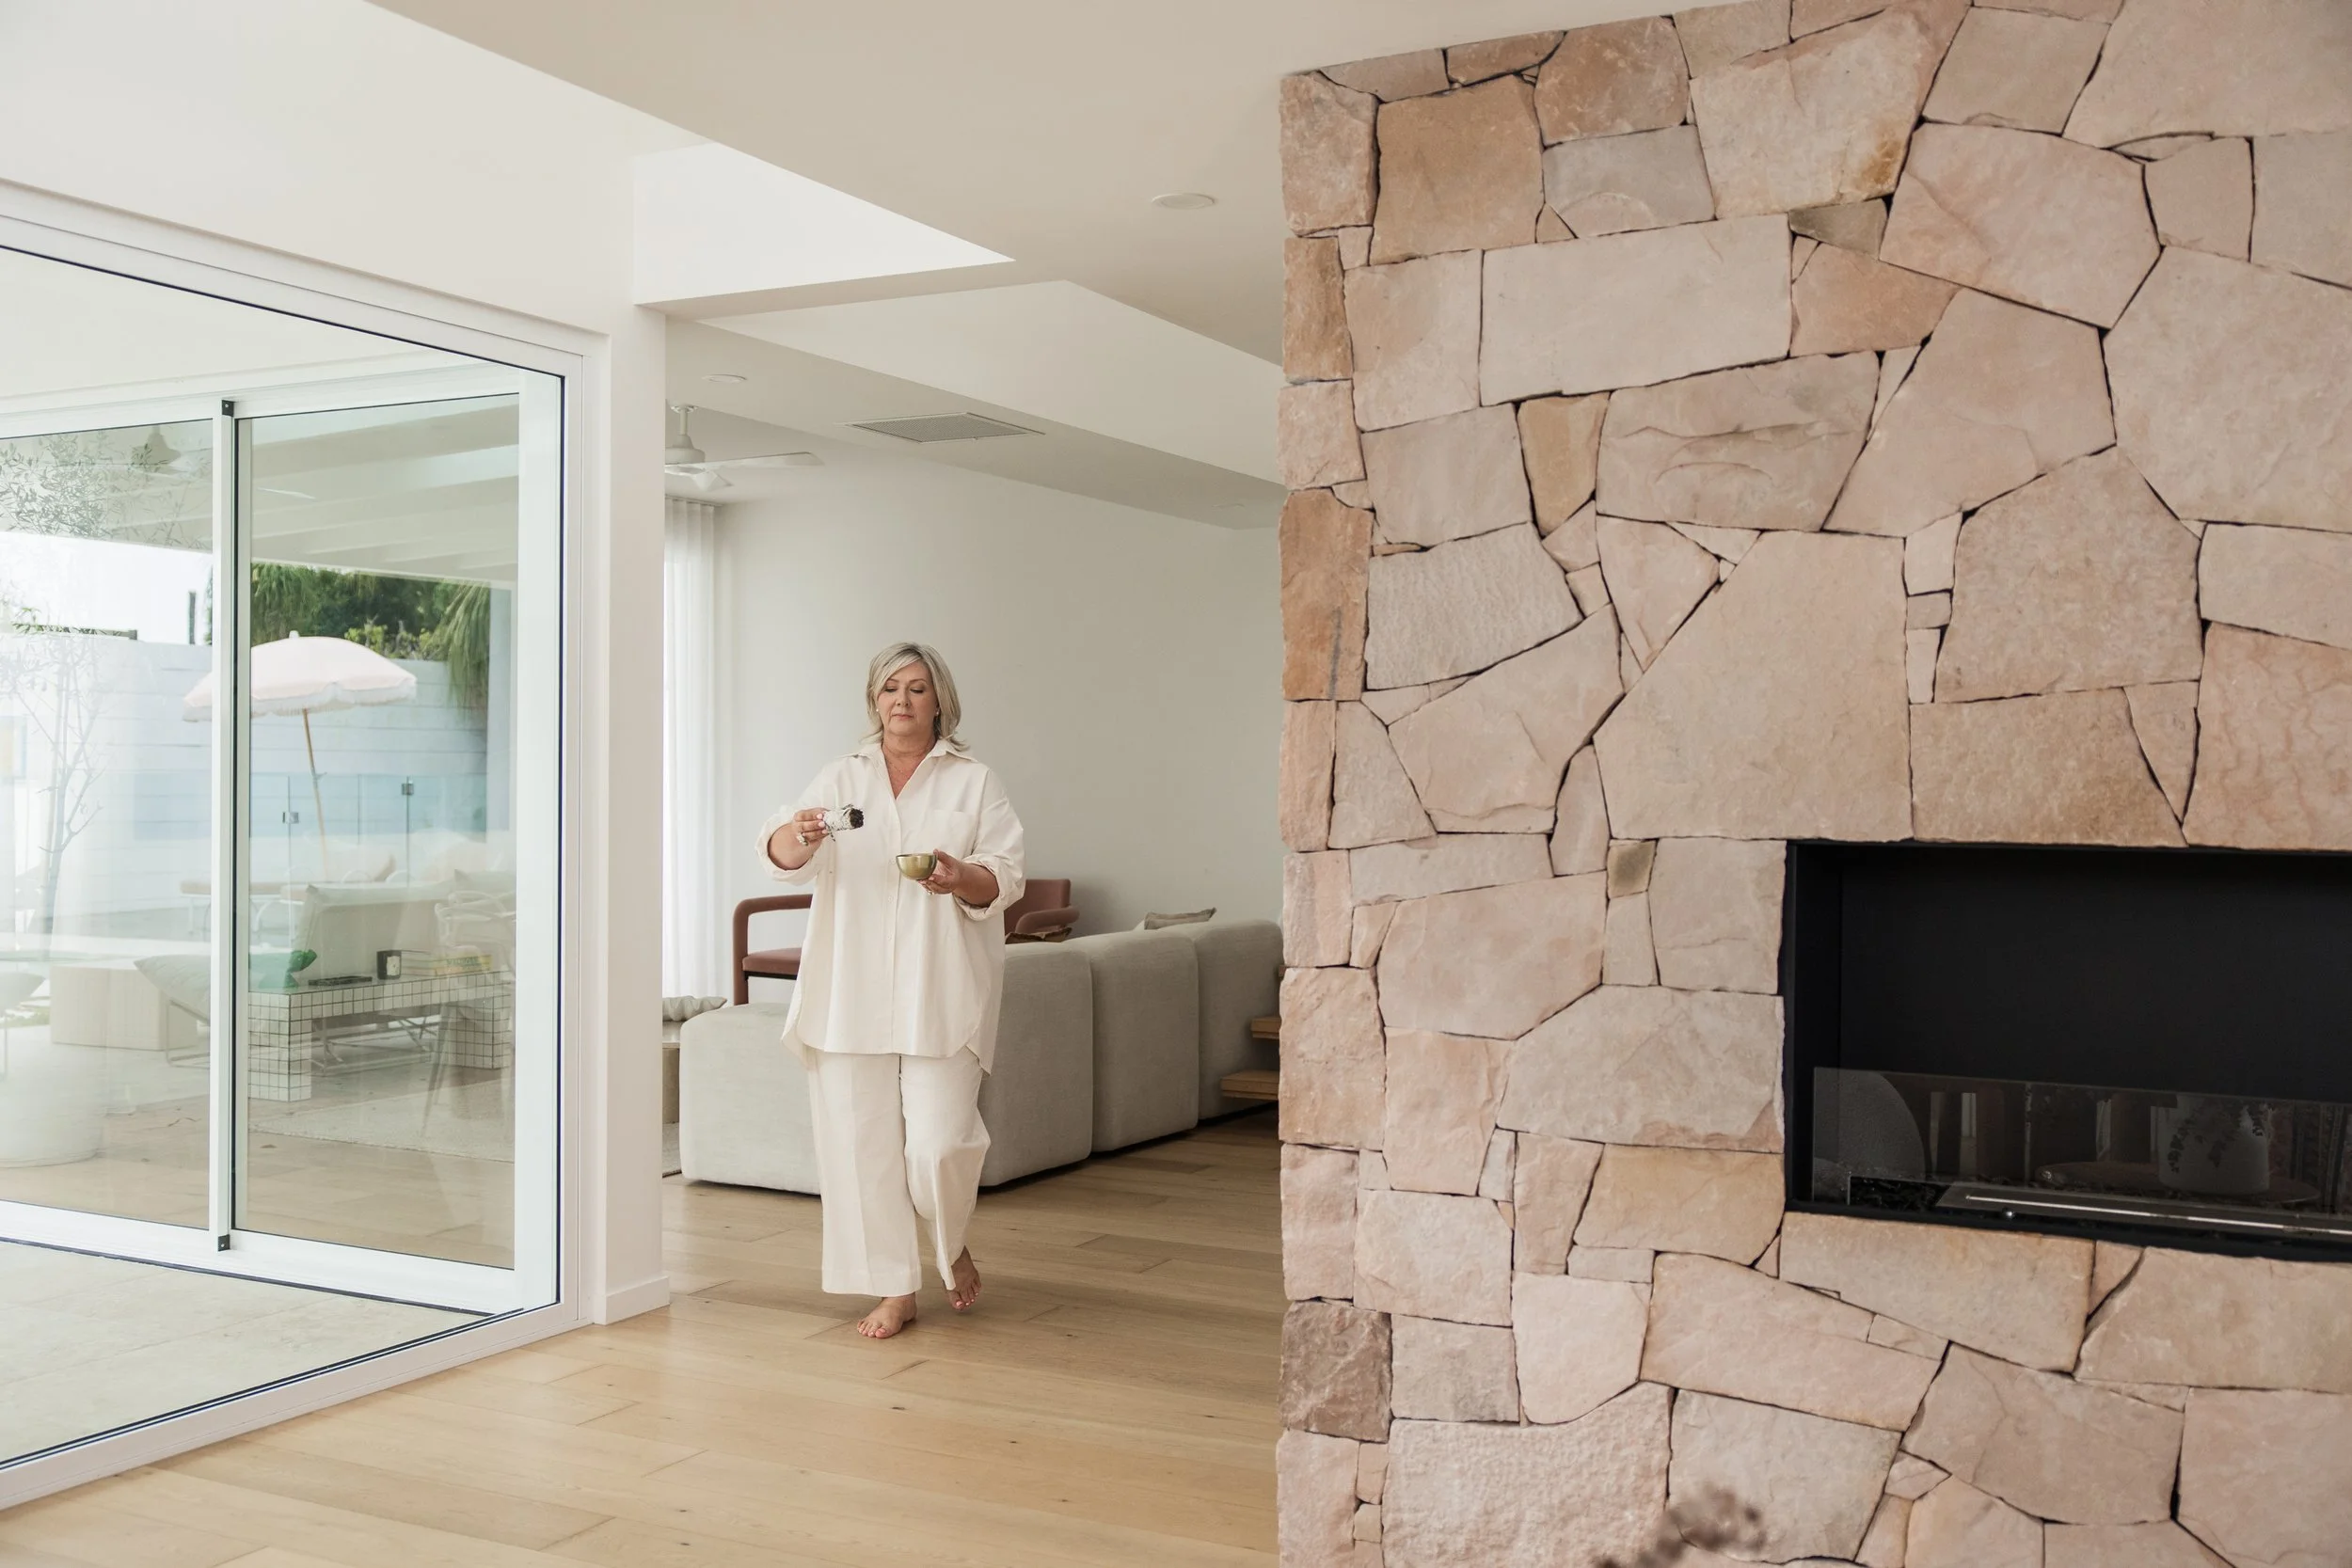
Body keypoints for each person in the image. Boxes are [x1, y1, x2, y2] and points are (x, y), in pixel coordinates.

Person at [757, 642, 1025, 1338]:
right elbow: (782, 857)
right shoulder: (842, 775)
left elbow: (1005, 877)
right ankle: (893, 1287)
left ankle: (950, 1238)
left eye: (916, 688)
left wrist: (959, 876)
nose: (901, 700)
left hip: (942, 988)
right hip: (849, 989)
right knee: (859, 1147)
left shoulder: (973, 781)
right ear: (874, 700)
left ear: (940, 701)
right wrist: (798, 834)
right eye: (889, 688)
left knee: (938, 1145)